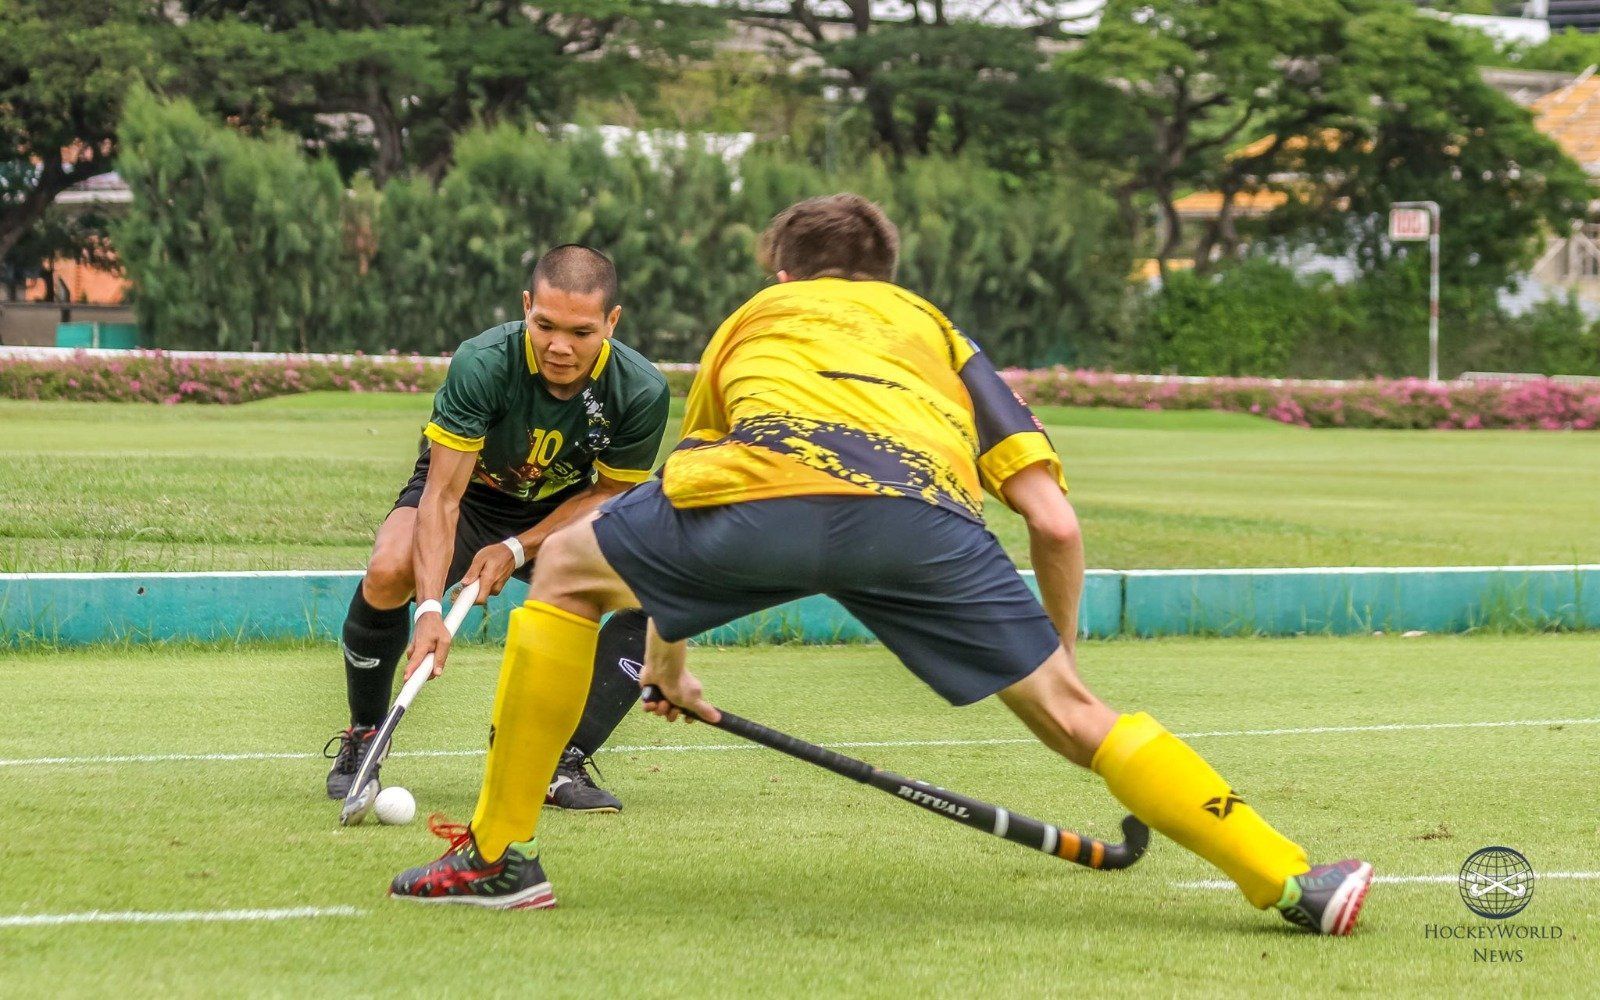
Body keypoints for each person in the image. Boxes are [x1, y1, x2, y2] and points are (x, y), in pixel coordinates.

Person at [387, 196, 1373, 935]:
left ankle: (500, 855)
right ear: (886, 274)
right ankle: (1291, 881)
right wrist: (1053, 650)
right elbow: (1055, 524)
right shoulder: (936, 333)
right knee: (1078, 719)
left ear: (782, 272)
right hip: (921, 520)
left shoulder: (753, 321)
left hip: (756, 492)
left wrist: (671, 666)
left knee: (564, 575)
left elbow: (689, 495)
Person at [324, 244, 669, 814]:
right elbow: (442, 495)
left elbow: (609, 494)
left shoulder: (640, 390)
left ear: (612, 321)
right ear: (527, 306)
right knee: (389, 569)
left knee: (654, 590)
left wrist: (516, 548)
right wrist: (430, 610)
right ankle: (365, 736)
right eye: (545, 325)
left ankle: (561, 760)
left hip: (561, 511)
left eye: (581, 332)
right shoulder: (483, 362)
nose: (559, 346)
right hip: (469, 496)